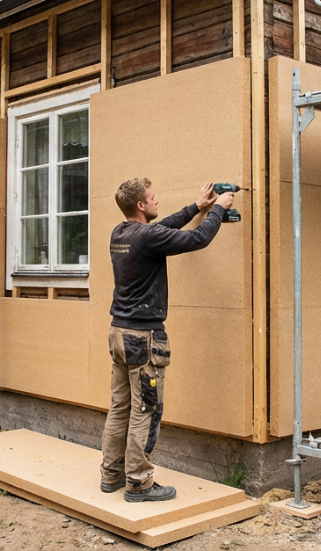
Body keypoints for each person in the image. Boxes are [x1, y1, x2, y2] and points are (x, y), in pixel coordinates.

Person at [99, 179, 236, 502]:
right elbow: (197, 238)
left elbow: (162, 229)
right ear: (141, 206)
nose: (157, 200)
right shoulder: (147, 236)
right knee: (145, 409)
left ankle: (111, 475)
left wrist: (196, 207)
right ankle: (138, 483)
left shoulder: (121, 233)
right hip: (144, 340)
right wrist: (219, 208)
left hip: (119, 334)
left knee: (120, 408)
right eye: (152, 198)